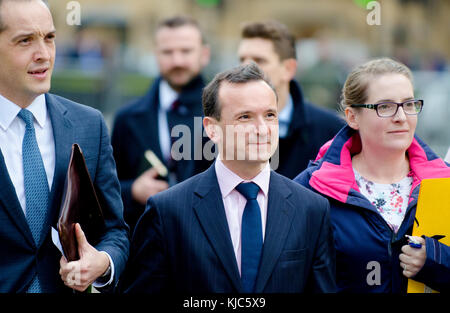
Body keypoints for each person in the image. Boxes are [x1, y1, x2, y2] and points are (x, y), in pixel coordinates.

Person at [119, 63, 336, 293]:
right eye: (245, 117)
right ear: (212, 129)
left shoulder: (312, 209)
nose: (262, 129)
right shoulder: (168, 212)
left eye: (270, 115)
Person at [0, 0, 129, 293]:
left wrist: (103, 262)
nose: (43, 54)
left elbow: (115, 231)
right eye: (25, 41)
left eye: (49, 38)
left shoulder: (89, 125)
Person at [294, 58, 450, 292]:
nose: (401, 117)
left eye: (409, 104)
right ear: (352, 117)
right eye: (385, 107)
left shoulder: (443, 184)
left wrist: (437, 260)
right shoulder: (310, 189)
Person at [111, 15, 211, 233]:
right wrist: (133, 191)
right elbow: (105, 187)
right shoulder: (127, 118)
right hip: (146, 244)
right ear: (156, 55)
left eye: (186, 51)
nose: (177, 61)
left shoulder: (226, 114)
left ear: (204, 54)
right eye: (168, 52)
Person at [237, 20, 345, 178]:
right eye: (242, 60)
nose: (245, 69)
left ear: (288, 69)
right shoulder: (217, 130)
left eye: (259, 60)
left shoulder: (331, 132)